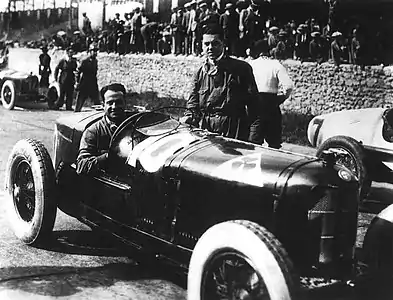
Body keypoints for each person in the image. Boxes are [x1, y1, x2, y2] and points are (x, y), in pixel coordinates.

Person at [181, 24, 258, 141]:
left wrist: (254, 140)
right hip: (206, 131)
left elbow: (255, 109)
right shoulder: (199, 72)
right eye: (206, 44)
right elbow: (192, 105)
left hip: (234, 131)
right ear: (201, 45)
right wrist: (189, 118)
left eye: (215, 43)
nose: (210, 48)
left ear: (223, 44)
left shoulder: (240, 69)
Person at [248, 39, 294, 149]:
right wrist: (281, 98)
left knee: (253, 143)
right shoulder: (276, 65)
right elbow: (288, 86)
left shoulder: (251, 64)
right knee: (274, 144)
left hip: (255, 105)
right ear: (269, 51)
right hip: (272, 104)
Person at [76, 83, 127, 175]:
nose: (114, 107)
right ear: (103, 105)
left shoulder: (135, 125)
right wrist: (107, 157)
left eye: (119, 102)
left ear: (125, 104)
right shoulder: (93, 131)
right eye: (110, 103)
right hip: (108, 183)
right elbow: (81, 166)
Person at [74, 44, 100, 112]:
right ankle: (76, 113)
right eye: (93, 51)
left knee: (97, 101)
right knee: (80, 100)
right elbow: (77, 72)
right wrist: (77, 82)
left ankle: (98, 115)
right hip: (84, 83)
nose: (95, 53)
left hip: (93, 83)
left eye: (96, 51)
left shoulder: (95, 61)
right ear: (89, 51)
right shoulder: (84, 61)